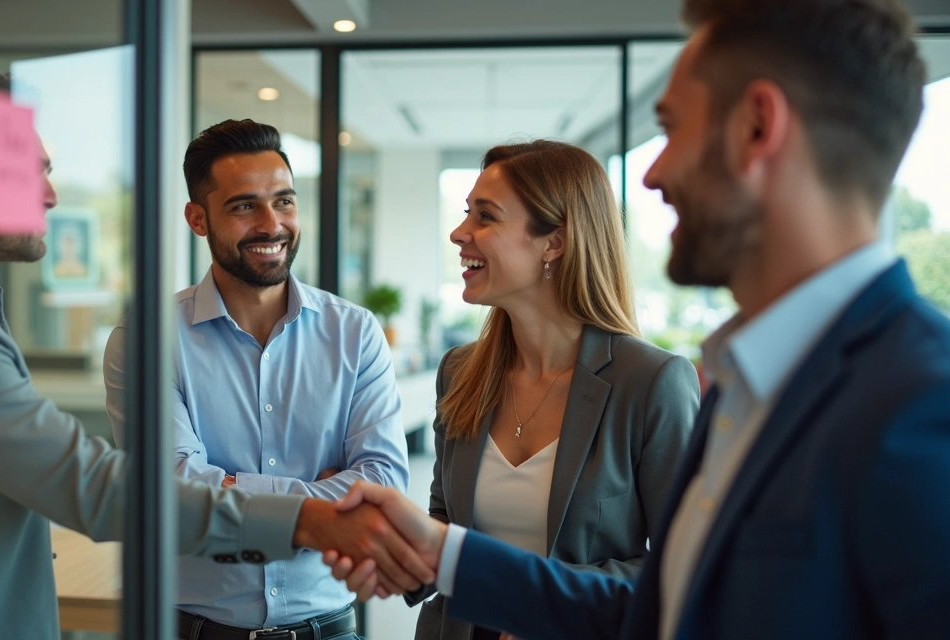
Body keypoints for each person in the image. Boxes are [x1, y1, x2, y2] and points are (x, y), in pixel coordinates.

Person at [325, 0, 950, 638]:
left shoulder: (924, 404)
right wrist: (439, 553)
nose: (652, 174)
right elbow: (670, 608)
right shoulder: (746, 382)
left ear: (758, 128)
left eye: (673, 129)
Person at [0, 68, 429, 640]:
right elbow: (87, 485)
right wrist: (307, 518)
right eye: (26, 169)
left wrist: (258, 497)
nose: (50, 196)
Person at [103, 118, 410, 640]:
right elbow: (173, 493)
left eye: (284, 201)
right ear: (198, 219)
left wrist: (227, 488)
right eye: (244, 206)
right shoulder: (146, 340)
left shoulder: (355, 333)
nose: (272, 225)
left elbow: (384, 482)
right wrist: (321, 499)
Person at [409, 141, 696, 640]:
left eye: (485, 216)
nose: (459, 233)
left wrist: (550, 606)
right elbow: (445, 522)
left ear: (554, 243)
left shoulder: (652, 383)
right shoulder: (459, 372)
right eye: (466, 212)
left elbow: (685, 567)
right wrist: (389, 540)